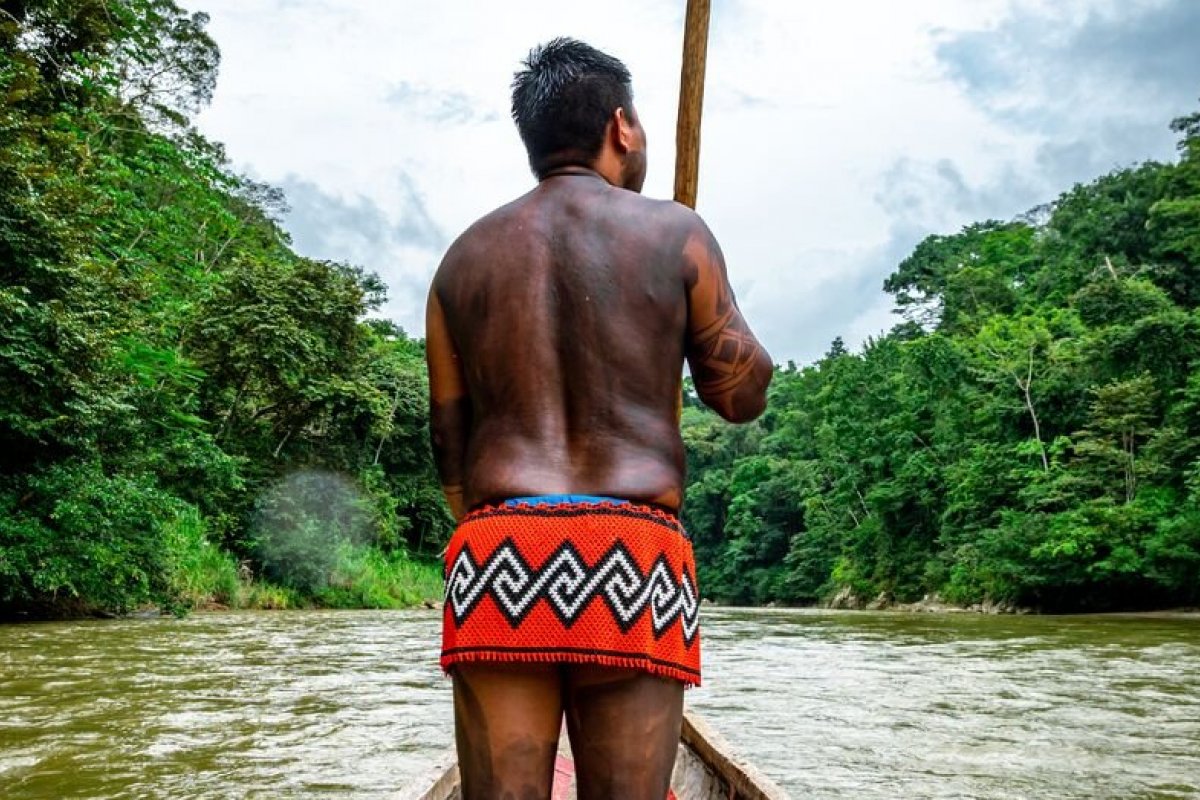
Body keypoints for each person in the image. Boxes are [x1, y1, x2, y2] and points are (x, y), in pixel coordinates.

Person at [425, 37, 772, 800]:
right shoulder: (675, 233)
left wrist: (504, 540)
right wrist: (691, 302)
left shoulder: (460, 260)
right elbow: (741, 396)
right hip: (629, 554)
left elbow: (448, 439)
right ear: (623, 127)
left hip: (497, 553)